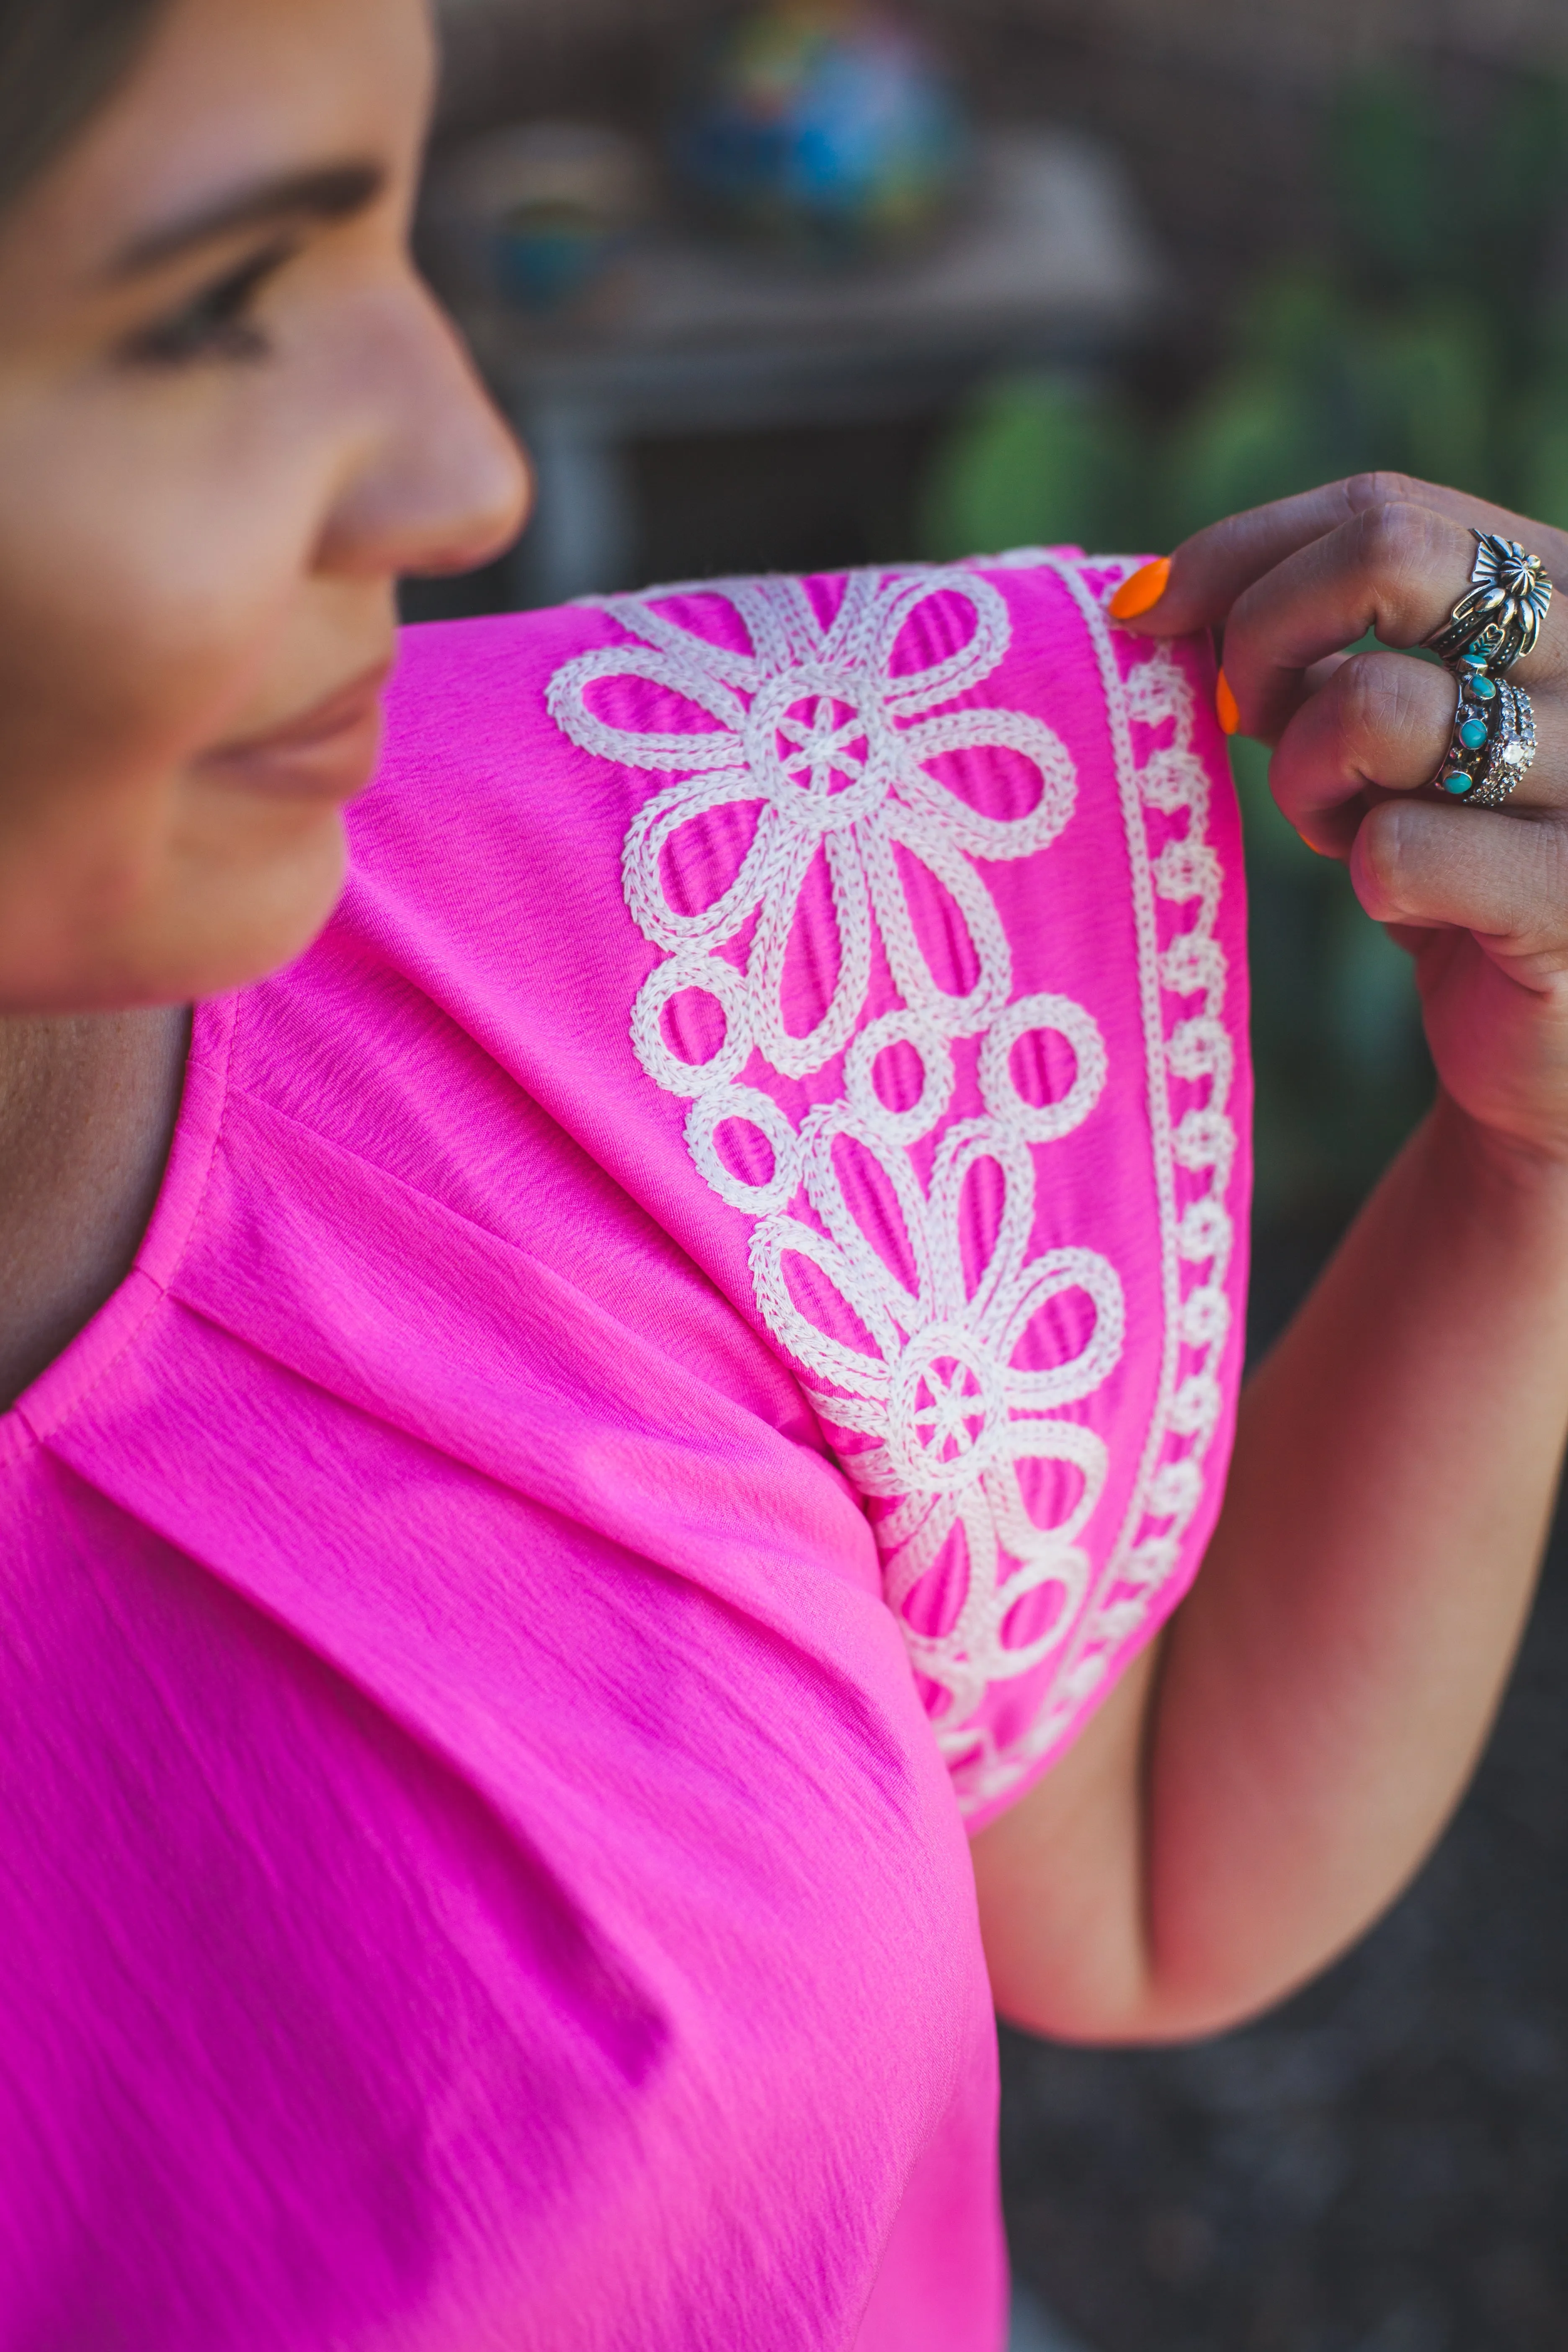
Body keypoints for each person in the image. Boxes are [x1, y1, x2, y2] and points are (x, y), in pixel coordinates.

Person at [3, 1, 1567, 2346]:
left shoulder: (689, 895)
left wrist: (1530, 1158)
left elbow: (1132, 1873)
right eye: (220, 308)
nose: (465, 476)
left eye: (389, 243)